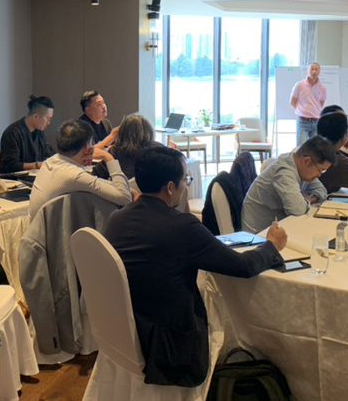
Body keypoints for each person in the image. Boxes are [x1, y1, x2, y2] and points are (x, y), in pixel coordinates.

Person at [103, 146, 287, 387]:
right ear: (170, 187)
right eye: (185, 180)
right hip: (170, 345)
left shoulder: (116, 219)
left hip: (123, 330)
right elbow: (242, 267)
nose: (186, 186)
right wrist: (272, 245)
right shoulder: (182, 227)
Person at [29, 119, 132, 218]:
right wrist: (108, 157)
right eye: (92, 142)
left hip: (37, 226)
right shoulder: (75, 176)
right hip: (48, 229)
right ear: (87, 148)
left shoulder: (50, 161)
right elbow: (124, 197)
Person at [242, 135, 334, 233]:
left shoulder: (301, 168)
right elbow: (297, 209)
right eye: (320, 170)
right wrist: (304, 201)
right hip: (259, 233)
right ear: (307, 161)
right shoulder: (285, 172)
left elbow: (322, 191)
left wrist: (308, 200)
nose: (319, 175)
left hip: (279, 224)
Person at [93, 113, 161, 180]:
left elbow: (97, 174)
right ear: (149, 131)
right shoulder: (159, 150)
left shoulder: (115, 152)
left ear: (122, 132)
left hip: (122, 186)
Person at [0, 95, 56, 173]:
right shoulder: (12, 132)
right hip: (14, 178)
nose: (48, 123)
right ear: (36, 117)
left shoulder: (40, 132)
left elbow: (47, 154)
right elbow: (11, 165)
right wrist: (37, 165)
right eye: (48, 119)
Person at [290, 62, 326, 145]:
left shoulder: (322, 87)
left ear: (319, 71)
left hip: (316, 121)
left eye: (316, 69)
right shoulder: (300, 85)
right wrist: (302, 110)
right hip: (303, 121)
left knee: (315, 147)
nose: (314, 72)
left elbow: (321, 103)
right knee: (301, 147)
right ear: (308, 71)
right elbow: (292, 101)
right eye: (312, 69)